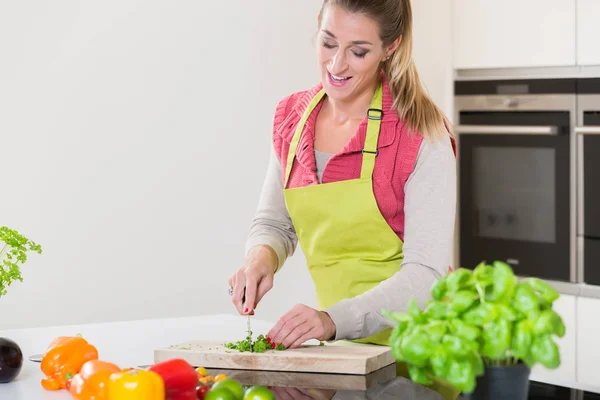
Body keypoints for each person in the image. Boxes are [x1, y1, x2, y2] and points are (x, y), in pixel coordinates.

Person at [228, 0, 457, 351]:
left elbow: (426, 275)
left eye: (358, 51)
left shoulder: (422, 134)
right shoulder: (293, 119)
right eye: (328, 42)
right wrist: (260, 258)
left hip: (422, 351)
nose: (336, 64)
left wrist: (331, 320)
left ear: (390, 47)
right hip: (343, 352)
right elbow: (275, 223)